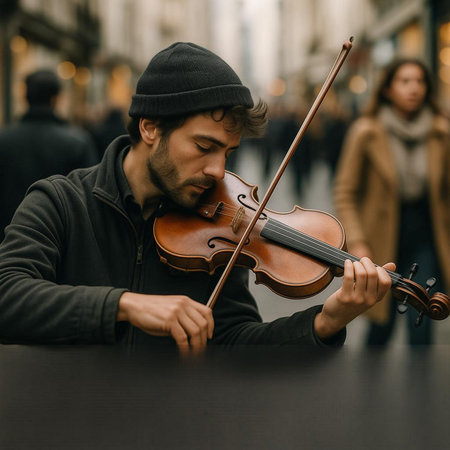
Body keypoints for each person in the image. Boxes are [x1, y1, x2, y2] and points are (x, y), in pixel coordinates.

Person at [0, 42, 394, 353]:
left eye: (227, 152)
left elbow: (234, 341)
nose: (218, 171)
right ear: (151, 128)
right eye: (204, 146)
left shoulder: (216, 227)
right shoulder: (60, 202)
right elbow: (8, 296)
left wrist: (325, 321)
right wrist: (127, 305)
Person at [333, 57, 450, 346]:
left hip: (426, 237)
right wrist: (357, 241)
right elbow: (345, 191)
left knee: (421, 324)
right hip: (380, 240)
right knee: (380, 326)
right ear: (387, 89)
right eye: (405, 81)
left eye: (420, 81)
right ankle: (371, 388)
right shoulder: (366, 131)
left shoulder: (440, 132)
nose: (414, 88)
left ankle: (419, 388)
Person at [0, 69, 98, 241]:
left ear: (26, 97)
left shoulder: (5, 140)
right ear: (56, 99)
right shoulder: (77, 143)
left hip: (6, 237)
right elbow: (90, 200)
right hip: (57, 240)